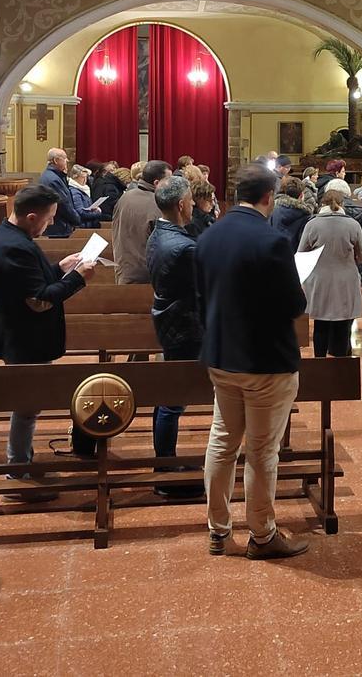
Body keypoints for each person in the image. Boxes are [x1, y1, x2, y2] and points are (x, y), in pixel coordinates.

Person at [196, 163, 309, 560]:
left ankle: (217, 530)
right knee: (262, 452)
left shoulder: (209, 235)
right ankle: (262, 535)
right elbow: (295, 305)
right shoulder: (272, 241)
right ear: (268, 197)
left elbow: (202, 297)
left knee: (222, 441)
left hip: (221, 356)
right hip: (265, 362)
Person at [0, 185, 96, 479]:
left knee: (29, 404)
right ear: (32, 217)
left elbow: (30, 281)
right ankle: (18, 467)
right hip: (23, 338)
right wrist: (77, 278)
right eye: (48, 220)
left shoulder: (12, 237)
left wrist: (60, 267)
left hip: (24, 336)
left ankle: (21, 461)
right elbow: (38, 298)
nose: (48, 225)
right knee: (27, 405)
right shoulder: (14, 246)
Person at [145, 176, 203, 497]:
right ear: (181, 204)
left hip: (170, 322)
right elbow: (202, 290)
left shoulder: (159, 233)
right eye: (192, 199)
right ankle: (165, 472)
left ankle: (164, 463)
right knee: (173, 402)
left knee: (169, 397)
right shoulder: (184, 248)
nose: (194, 204)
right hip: (184, 328)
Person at [297, 186, 362, 357]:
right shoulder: (353, 224)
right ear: (342, 204)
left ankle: (320, 362)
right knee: (343, 326)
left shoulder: (312, 224)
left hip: (320, 281)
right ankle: (340, 367)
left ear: (322, 203)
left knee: (321, 325)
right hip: (346, 280)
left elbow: (301, 252)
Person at [109, 160, 173, 284]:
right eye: (169, 181)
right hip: (146, 277)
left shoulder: (125, 197)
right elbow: (164, 245)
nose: (171, 185)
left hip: (124, 270)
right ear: (157, 183)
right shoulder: (156, 204)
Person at [38, 148, 82, 238]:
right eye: (64, 158)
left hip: (57, 225)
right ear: (56, 160)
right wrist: (77, 219)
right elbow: (63, 204)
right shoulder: (53, 179)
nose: (67, 161)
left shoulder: (50, 176)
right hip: (58, 227)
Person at [269, 175, 311, 252]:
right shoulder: (305, 214)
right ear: (301, 195)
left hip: (274, 253)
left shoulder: (272, 210)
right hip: (294, 256)